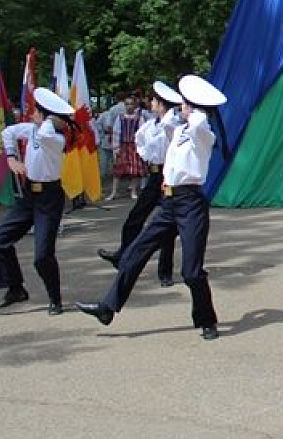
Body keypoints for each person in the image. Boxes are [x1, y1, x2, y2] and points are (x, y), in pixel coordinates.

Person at [77, 75, 226, 340]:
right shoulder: (179, 130)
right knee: (135, 252)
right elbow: (166, 122)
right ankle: (108, 307)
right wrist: (180, 111)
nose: (179, 107)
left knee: (191, 271)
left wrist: (195, 109)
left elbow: (199, 122)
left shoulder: (203, 133)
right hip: (169, 201)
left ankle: (207, 320)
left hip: (191, 202)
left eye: (184, 104)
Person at [0, 88, 75, 314]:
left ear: (46, 116)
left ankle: (55, 299)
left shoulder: (56, 138)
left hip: (49, 197)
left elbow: (46, 133)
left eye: (36, 111)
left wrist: (49, 118)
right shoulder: (33, 129)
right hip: (29, 196)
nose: (31, 115)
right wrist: (10, 158)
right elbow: (8, 132)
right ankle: (15, 288)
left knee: (42, 255)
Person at [96, 82, 182, 286]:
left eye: (154, 101)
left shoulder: (173, 125)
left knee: (167, 226)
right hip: (154, 175)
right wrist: (145, 156)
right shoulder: (151, 124)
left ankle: (165, 272)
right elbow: (140, 140)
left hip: (167, 176)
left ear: (161, 104)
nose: (150, 104)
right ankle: (123, 254)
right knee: (136, 217)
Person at [112, 95, 148, 200]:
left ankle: (133, 190)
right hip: (123, 145)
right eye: (127, 104)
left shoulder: (139, 118)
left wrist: (142, 148)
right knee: (118, 170)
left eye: (131, 104)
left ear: (135, 105)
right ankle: (114, 192)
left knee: (135, 170)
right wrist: (115, 148)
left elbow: (142, 134)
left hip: (134, 146)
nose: (129, 106)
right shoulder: (120, 117)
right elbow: (116, 132)